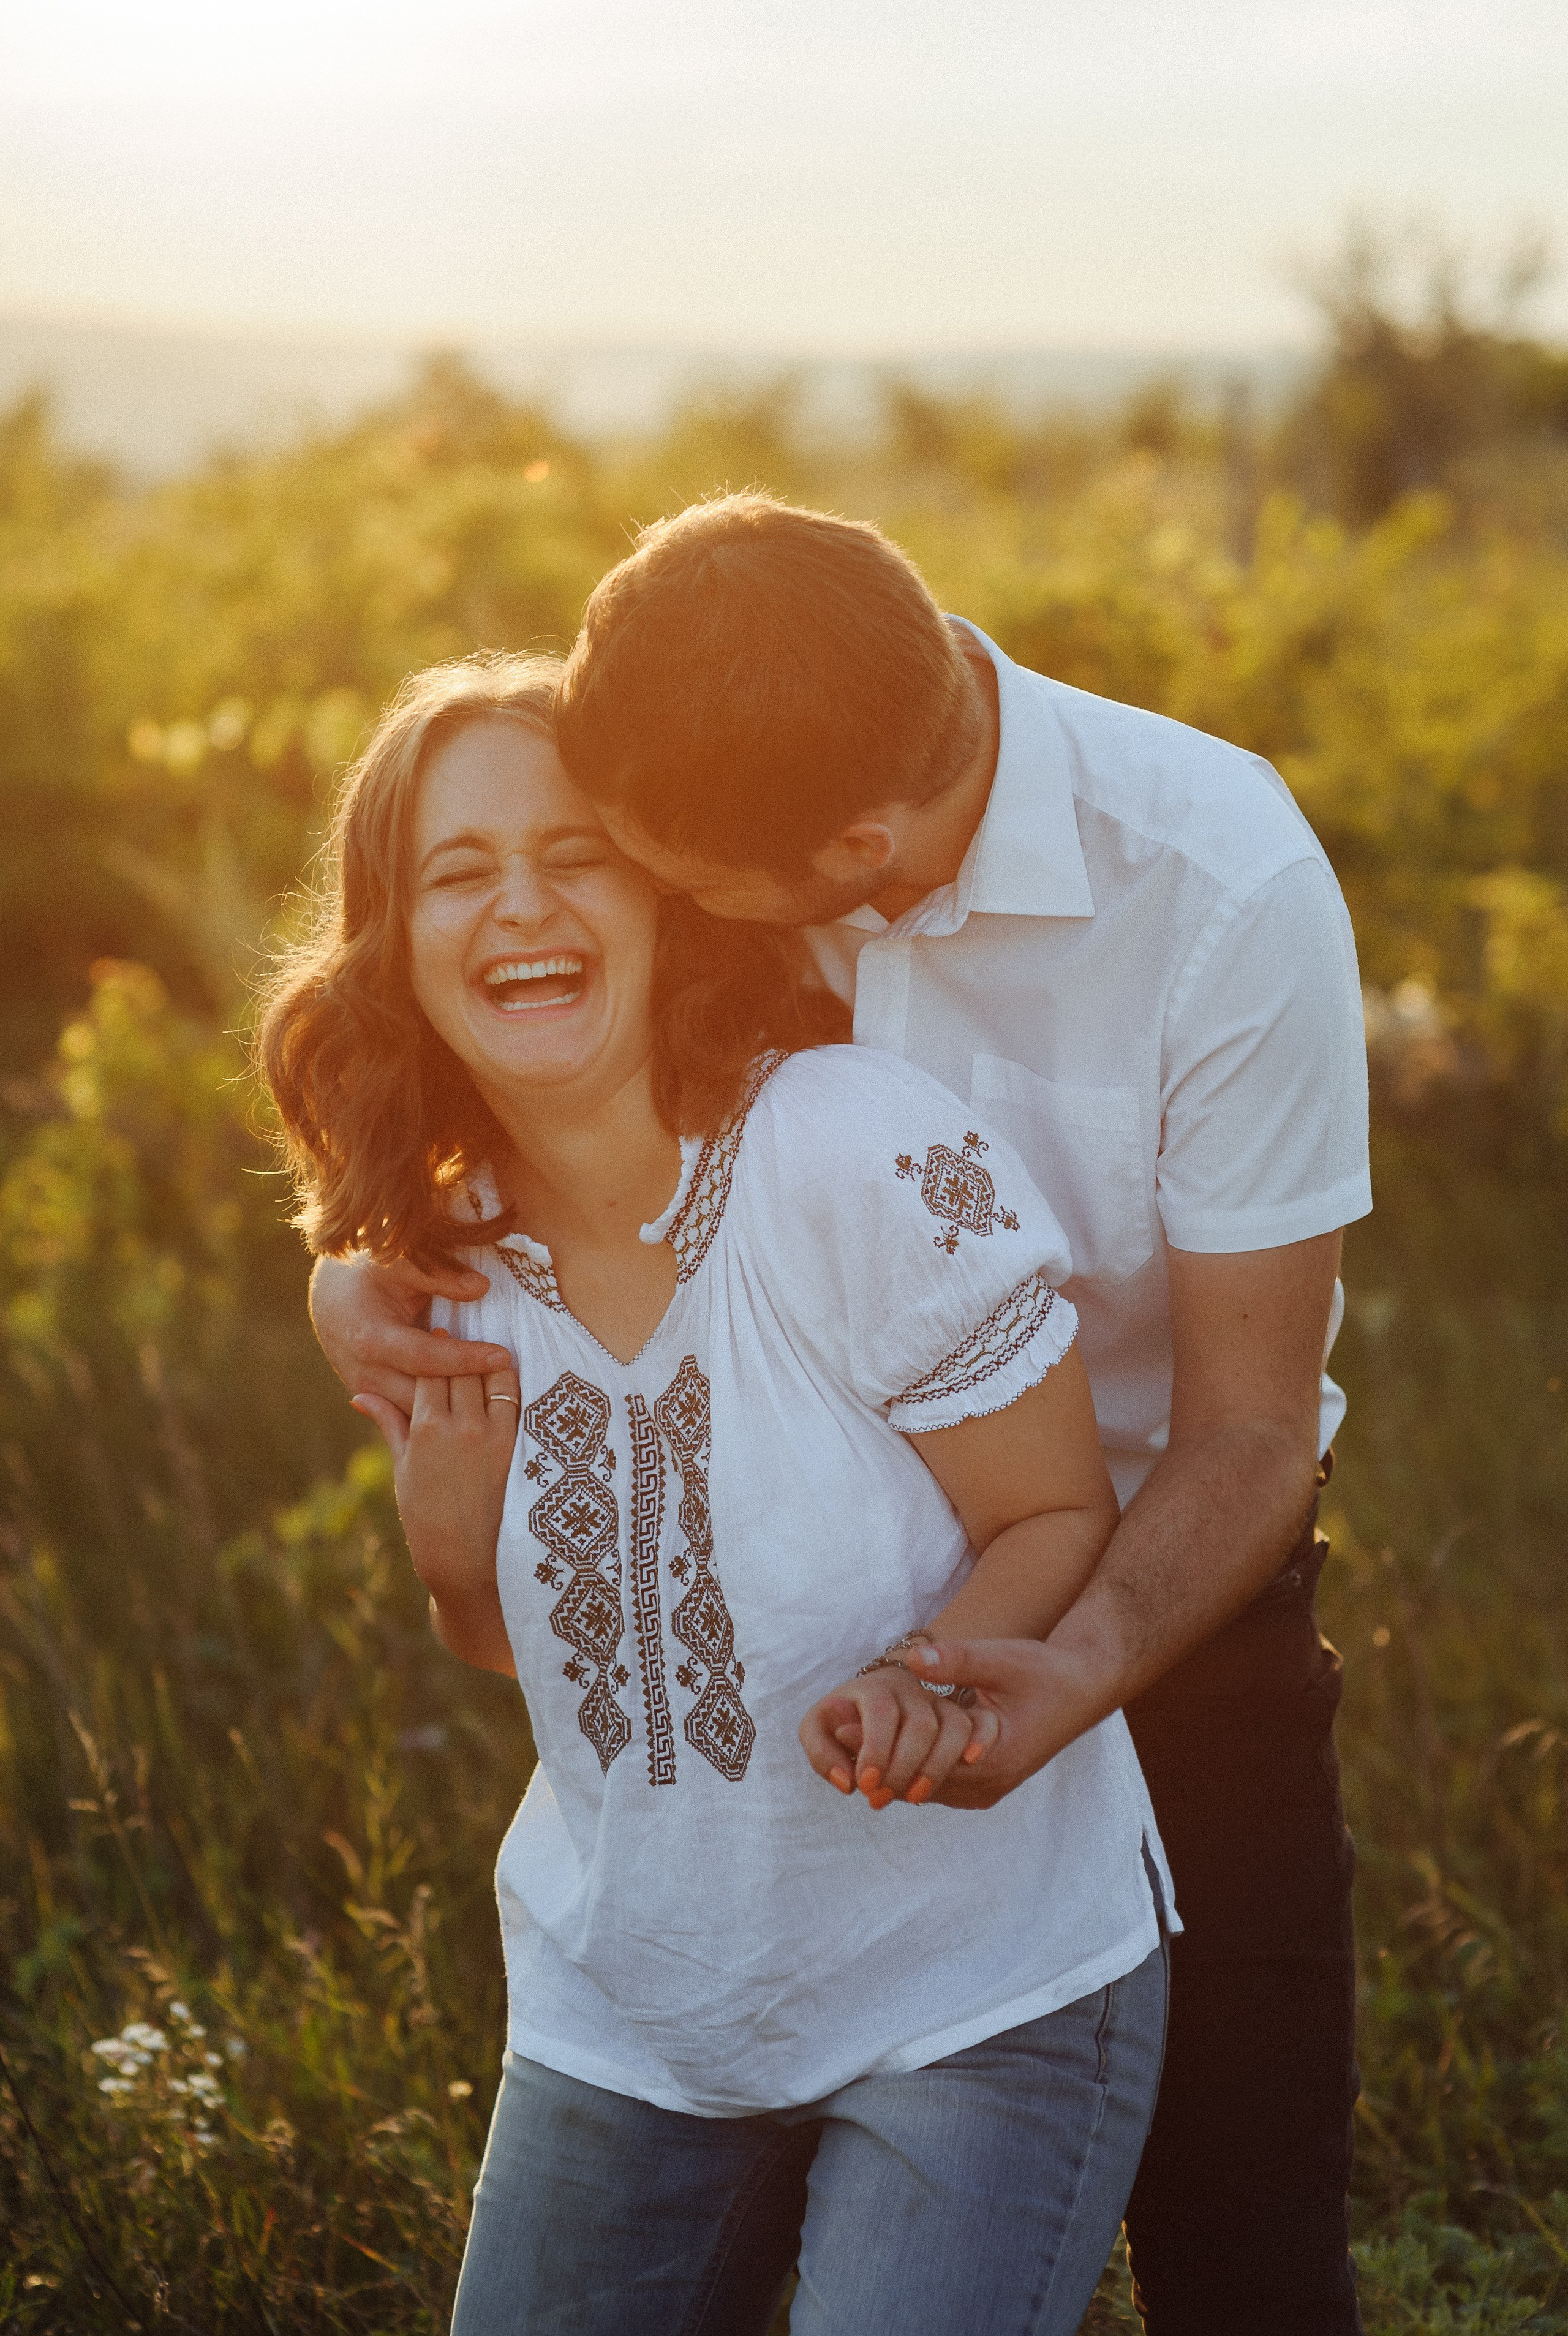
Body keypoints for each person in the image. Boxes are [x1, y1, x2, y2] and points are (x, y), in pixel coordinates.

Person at [311, 497, 1372, 2334]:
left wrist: (1077, 1646)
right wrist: (360, 1256)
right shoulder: (731, 735)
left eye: (648, 871)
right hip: (773, 1612)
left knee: (1246, 2251)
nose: (606, 892)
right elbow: (521, 1048)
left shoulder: (1217, 886)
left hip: (1168, 1575)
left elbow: (1250, 1436)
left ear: (854, 856)